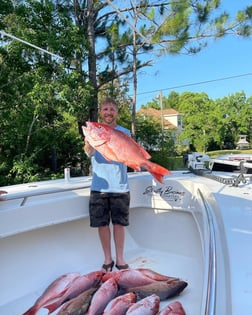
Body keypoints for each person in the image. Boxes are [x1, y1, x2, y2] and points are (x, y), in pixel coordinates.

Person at [84, 97, 130, 273]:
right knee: (102, 225)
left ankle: (120, 258)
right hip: (99, 187)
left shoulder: (124, 132)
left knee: (119, 224)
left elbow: (127, 154)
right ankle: (107, 259)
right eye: (105, 109)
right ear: (100, 112)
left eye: (112, 109)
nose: (109, 112)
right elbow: (88, 152)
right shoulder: (94, 130)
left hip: (120, 186)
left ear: (116, 112)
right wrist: (90, 142)